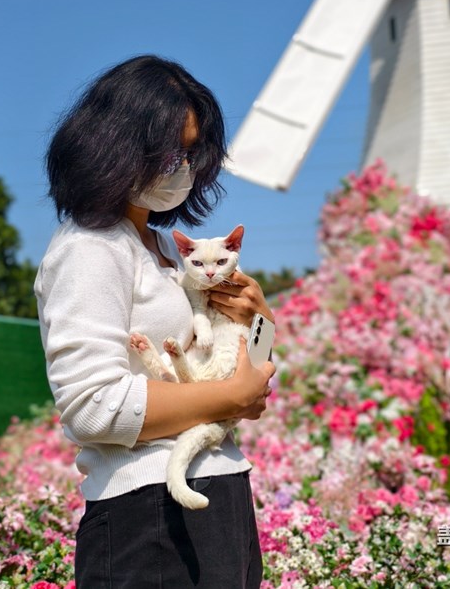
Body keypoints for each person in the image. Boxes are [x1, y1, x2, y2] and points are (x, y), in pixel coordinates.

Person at [34, 54, 276, 589]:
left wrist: (260, 321)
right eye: (168, 152)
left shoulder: (169, 250)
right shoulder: (90, 248)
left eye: (192, 154)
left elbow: (239, 373)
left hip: (219, 489)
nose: (182, 169)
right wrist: (231, 397)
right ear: (113, 146)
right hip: (148, 515)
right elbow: (92, 406)